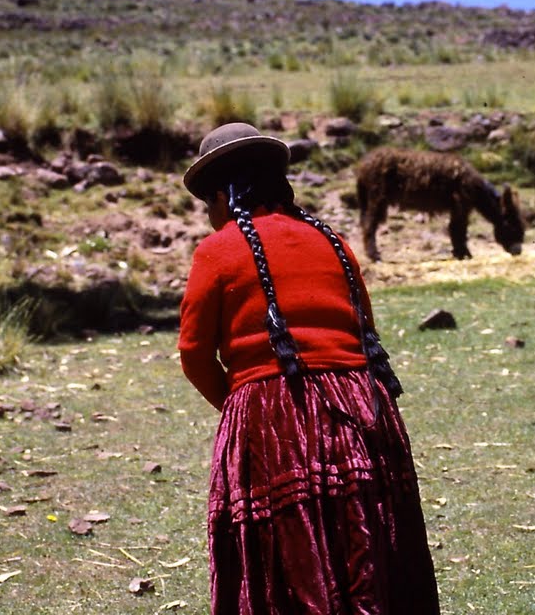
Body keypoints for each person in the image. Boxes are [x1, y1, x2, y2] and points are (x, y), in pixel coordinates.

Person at [179, 122, 440, 614]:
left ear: (222, 195)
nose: (209, 216)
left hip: (274, 414)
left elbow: (194, 354)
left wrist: (241, 406)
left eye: (207, 204)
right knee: (369, 540)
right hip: (363, 409)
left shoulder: (216, 252)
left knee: (291, 562)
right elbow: (365, 335)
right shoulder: (334, 243)